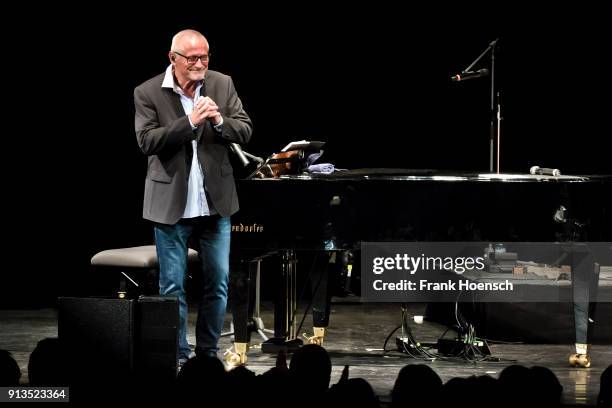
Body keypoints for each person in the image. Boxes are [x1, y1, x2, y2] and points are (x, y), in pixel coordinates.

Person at [134, 29, 253, 364]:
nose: (200, 63)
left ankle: (207, 357)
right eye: (193, 58)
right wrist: (189, 121)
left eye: (205, 56)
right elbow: (146, 141)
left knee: (218, 285)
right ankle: (180, 359)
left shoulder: (222, 83)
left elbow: (245, 129)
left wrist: (218, 120)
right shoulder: (147, 92)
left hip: (215, 205)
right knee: (172, 290)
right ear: (173, 58)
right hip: (172, 206)